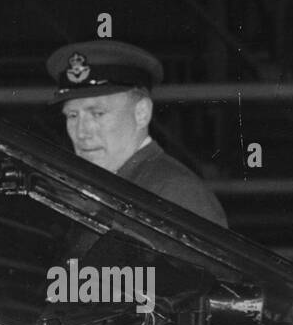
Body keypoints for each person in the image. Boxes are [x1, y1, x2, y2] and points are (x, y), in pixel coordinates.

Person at [44, 39, 227, 227]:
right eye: (73, 115)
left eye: (98, 114)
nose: (82, 132)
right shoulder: (99, 190)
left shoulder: (176, 193)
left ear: (142, 113)